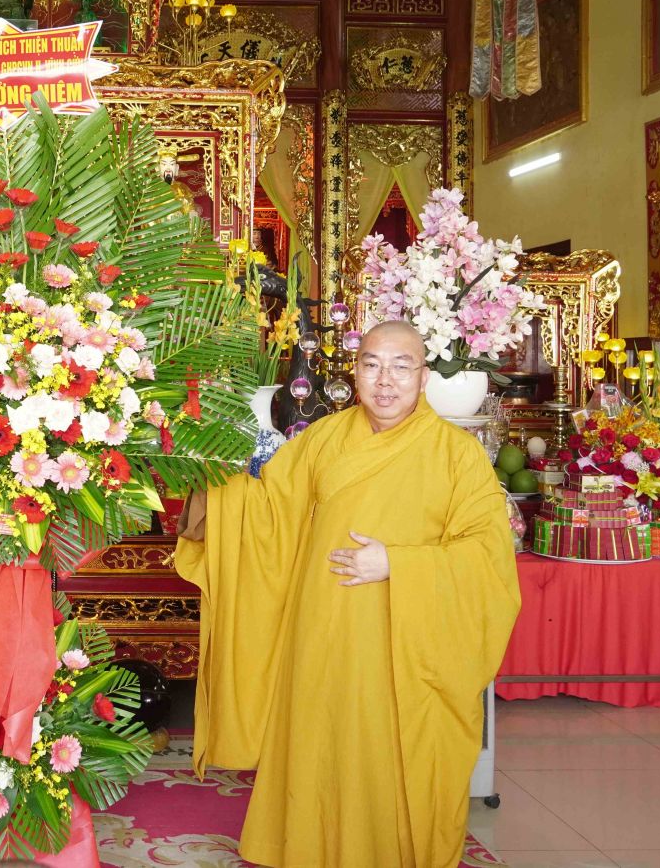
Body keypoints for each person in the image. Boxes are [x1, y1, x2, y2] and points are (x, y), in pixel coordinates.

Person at [175, 321, 520, 868]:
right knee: (322, 751)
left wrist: (399, 563)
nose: (385, 381)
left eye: (401, 367)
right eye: (372, 365)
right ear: (354, 373)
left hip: (405, 652)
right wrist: (204, 490)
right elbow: (269, 510)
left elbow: (487, 559)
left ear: (423, 377)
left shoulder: (458, 455)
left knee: (392, 760)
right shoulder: (324, 438)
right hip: (323, 635)